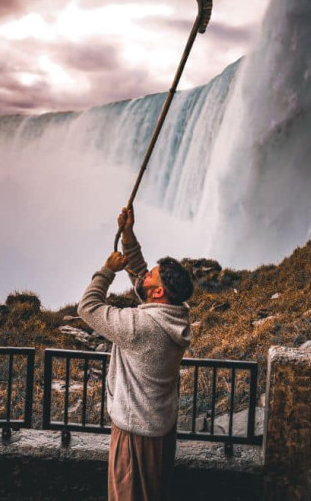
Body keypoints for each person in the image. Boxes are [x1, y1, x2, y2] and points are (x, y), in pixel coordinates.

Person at [77, 206, 193, 501]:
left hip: (134, 437)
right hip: (161, 430)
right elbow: (142, 278)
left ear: (158, 294)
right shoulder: (177, 314)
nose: (146, 275)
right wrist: (128, 234)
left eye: (152, 275)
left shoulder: (140, 327)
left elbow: (88, 308)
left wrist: (106, 270)